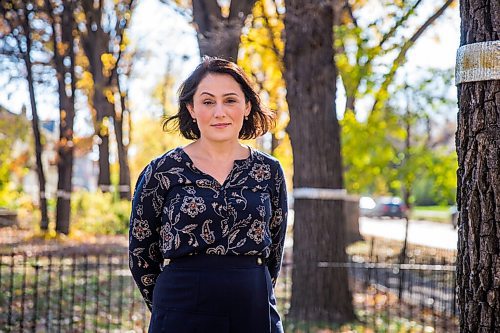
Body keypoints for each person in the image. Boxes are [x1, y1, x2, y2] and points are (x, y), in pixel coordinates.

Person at [129, 57, 288, 333]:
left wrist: (252, 287)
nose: (219, 112)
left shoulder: (269, 171)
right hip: (181, 304)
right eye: (207, 101)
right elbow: (141, 251)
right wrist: (169, 303)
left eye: (230, 100)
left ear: (247, 106)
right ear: (191, 108)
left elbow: (275, 247)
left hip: (253, 304)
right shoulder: (163, 170)